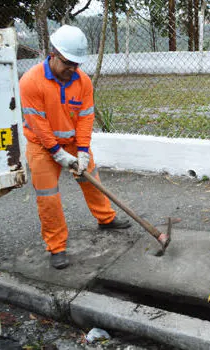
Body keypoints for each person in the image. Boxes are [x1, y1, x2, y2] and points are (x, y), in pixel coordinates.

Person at [20, 25, 131, 270]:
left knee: (92, 181)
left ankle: (106, 219)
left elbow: (85, 118)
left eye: (77, 64)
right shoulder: (30, 82)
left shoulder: (83, 82)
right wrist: (57, 153)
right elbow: (38, 124)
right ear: (53, 53)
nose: (72, 68)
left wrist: (82, 150)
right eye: (68, 62)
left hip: (73, 142)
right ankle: (57, 247)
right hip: (41, 146)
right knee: (48, 198)